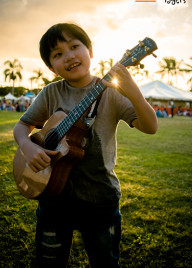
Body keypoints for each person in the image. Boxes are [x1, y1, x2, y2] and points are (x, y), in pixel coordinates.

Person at [13, 23, 158, 268]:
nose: (68, 56)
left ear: (90, 50)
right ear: (51, 68)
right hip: (53, 200)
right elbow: (22, 126)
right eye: (58, 54)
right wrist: (28, 146)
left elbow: (150, 126)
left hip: (99, 200)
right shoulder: (51, 93)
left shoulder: (111, 93)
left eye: (74, 46)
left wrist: (133, 91)